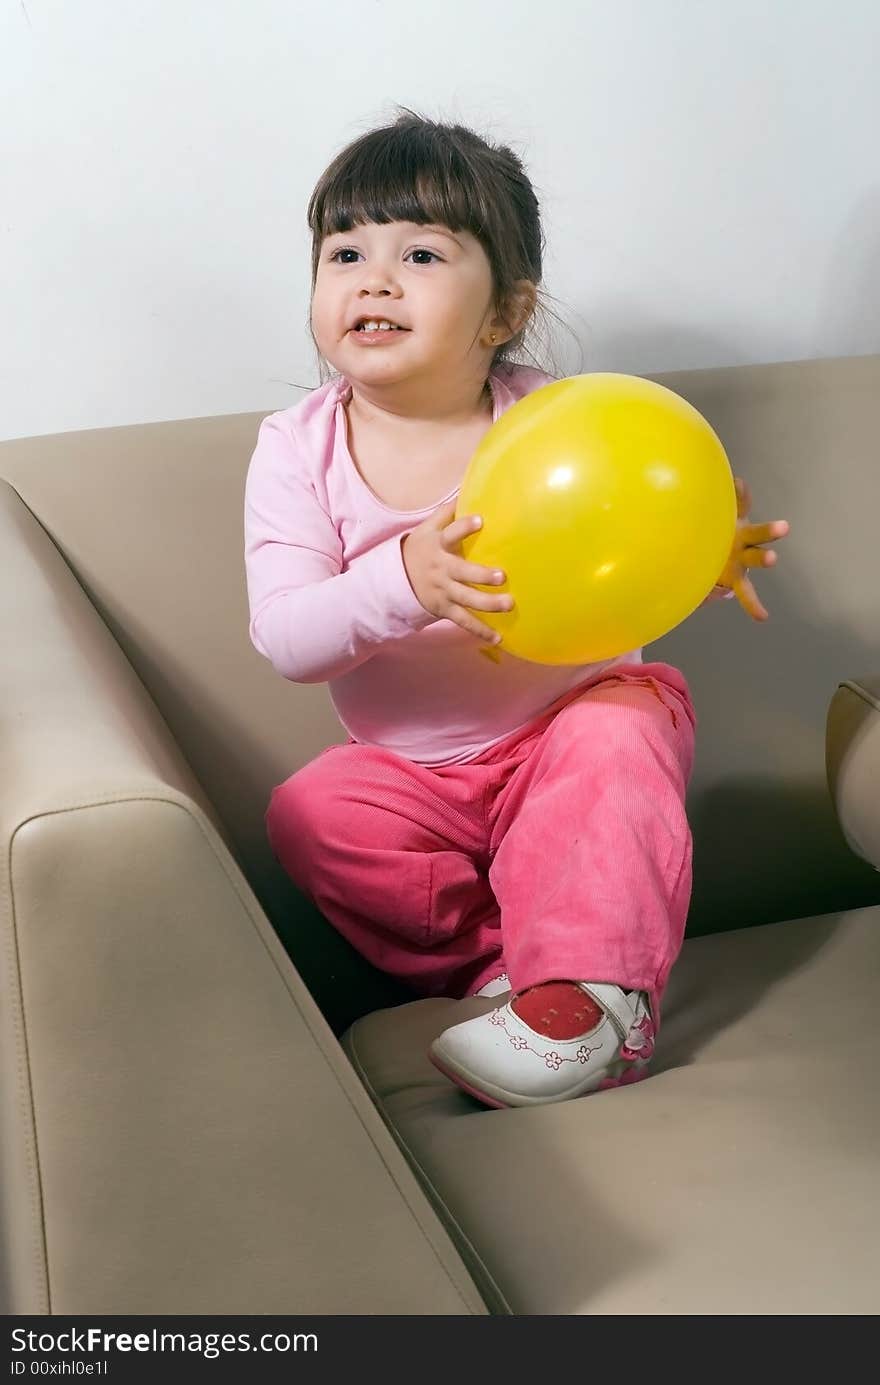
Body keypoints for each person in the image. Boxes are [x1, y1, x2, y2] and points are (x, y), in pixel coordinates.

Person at [244, 109, 789, 1108]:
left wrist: (696, 551)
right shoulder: (297, 446)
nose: (371, 278)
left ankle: (599, 998)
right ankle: (509, 978)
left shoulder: (554, 419)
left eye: (418, 253)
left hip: (560, 732)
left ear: (502, 311)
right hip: (419, 774)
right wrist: (404, 576)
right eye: (344, 251)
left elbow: (622, 532)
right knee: (313, 810)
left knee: (619, 722)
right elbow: (286, 634)